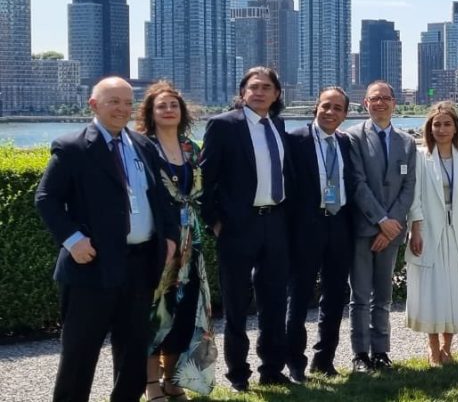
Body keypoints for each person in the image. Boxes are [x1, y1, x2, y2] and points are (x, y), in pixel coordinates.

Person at [35, 76, 178, 402]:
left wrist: (168, 238)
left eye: (128, 102)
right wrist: (72, 240)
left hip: (141, 266)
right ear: (94, 104)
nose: (122, 108)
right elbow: (46, 199)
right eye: (114, 101)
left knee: (132, 355)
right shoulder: (71, 147)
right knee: (79, 355)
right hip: (92, 267)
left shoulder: (144, 146)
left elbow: (162, 199)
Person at [200, 66, 294, 391]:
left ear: (277, 94)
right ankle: (238, 374)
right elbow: (204, 180)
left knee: (274, 301)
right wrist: (215, 222)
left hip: (275, 223)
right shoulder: (223, 126)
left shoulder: (278, 125)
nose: (259, 92)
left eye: (266, 87)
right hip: (238, 227)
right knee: (236, 304)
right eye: (253, 87)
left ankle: (272, 368)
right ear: (242, 93)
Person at [137, 81, 216, 400]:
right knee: (156, 315)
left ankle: (173, 379)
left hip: (191, 243)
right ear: (151, 113)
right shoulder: (142, 147)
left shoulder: (190, 149)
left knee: (184, 316)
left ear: (182, 112)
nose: (169, 110)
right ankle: (151, 384)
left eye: (174, 105)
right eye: (162, 106)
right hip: (158, 240)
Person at [406, 102, 458, 366]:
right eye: (436, 124)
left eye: (447, 124)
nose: (441, 129)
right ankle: (432, 348)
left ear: (456, 128)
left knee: (454, 289)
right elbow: (414, 197)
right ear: (429, 128)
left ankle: (447, 347)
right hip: (430, 231)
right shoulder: (420, 156)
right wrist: (415, 229)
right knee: (432, 289)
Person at [284, 87, 356, 382]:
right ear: (316, 108)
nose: (331, 112)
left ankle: (324, 360)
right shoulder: (295, 140)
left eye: (338, 108)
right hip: (305, 229)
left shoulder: (345, 142)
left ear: (345, 114)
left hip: (339, 227)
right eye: (326, 106)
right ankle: (295, 364)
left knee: (335, 296)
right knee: (298, 297)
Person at [345, 80, 417, 372]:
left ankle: (381, 352)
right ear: (365, 104)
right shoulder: (353, 138)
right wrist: (381, 221)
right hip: (364, 229)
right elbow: (357, 183)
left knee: (383, 296)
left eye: (385, 98)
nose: (380, 103)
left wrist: (393, 225)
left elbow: (409, 187)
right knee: (360, 296)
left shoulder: (407, 142)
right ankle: (360, 354)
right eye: (374, 99)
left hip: (393, 233)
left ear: (394, 102)